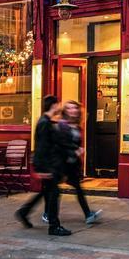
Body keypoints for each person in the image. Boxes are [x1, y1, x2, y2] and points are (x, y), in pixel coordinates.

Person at [15, 95, 72, 236]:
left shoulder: (47, 121)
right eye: (58, 104)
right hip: (47, 165)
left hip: (48, 164)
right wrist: (42, 168)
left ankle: (24, 212)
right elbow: (41, 147)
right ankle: (54, 226)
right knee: (54, 193)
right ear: (54, 105)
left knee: (47, 192)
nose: (60, 107)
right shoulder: (44, 123)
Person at [42, 100, 102, 225]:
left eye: (74, 108)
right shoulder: (62, 125)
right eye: (69, 108)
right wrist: (74, 151)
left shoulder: (77, 126)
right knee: (51, 190)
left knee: (77, 189)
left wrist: (76, 156)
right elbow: (60, 145)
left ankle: (88, 214)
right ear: (65, 111)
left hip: (71, 164)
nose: (72, 110)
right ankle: (46, 213)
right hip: (61, 163)